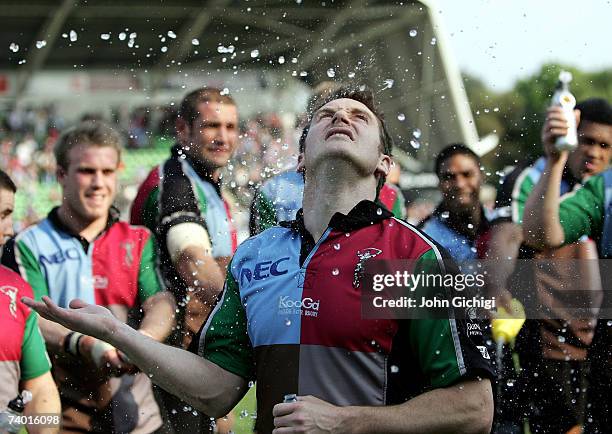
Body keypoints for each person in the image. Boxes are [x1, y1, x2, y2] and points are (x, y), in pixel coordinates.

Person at [24, 87, 495, 434]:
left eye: (359, 117)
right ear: (301, 158)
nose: (341, 117)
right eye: (326, 114)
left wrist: (348, 422)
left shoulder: (415, 257)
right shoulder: (257, 257)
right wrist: (116, 332)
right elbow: (218, 389)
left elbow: (474, 408)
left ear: (383, 164)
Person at [2, 122, 176, 433]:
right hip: (66, 416)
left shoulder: (138, 240)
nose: (99, 182)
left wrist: (142, 342)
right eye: (86, 171)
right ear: (60, 175)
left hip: (139, 421)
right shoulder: (27, 244)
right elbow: (34, 316)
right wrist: (88, 345)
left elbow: (161, 303)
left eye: (108, 172)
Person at [486, 98, 612, 433]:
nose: (594, 153)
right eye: (586, 141)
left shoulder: (603, 190)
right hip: (548, 347)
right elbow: (509, 235)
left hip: (596, 345)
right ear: (568, 135)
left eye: (605, 145)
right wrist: (495, 284)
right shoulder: (529, 179)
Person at [129, 87, 238, 432]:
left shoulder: (206, 182)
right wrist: (247, 315)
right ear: (182, 129)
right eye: (211, 126)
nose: (223, 138)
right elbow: (192, 261)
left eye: (231, 127)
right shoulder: (174, 180)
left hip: (196, 346)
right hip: (171, 347)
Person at [0, 169, 61, 434]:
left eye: (8, 215)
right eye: (0, 215)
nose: (8, 229)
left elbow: (40, 389)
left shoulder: (14, 288)